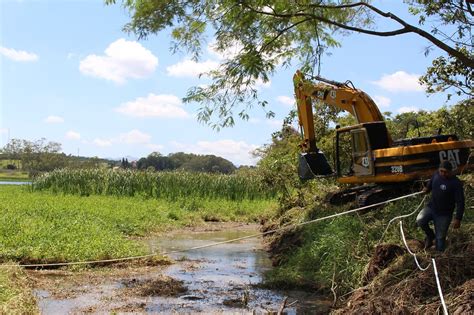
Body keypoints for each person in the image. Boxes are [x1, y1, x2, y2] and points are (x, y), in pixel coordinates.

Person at [416, 160, 465, 251]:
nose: (442, 173)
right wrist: (426, 188)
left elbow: (460, 201)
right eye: (441, 171)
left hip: (444, 214)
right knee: (420, 220)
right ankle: (430, 236)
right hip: (431, 208)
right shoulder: (436, 175)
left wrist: (458, 218)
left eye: (445, 172)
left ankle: (439, 256)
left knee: (440, 239)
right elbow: (430, 184)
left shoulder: (456, 183)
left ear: (450, 171)